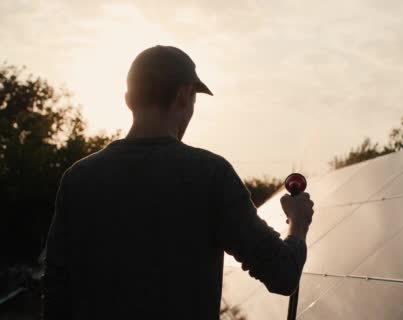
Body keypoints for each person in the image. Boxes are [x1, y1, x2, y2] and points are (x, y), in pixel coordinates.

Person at [42, 45, 314, 319]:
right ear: (185, 96)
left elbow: (55, 293)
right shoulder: (211, 175)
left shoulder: (78, 178)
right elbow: (283, 274)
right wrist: (298, 223)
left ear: (128, 99)